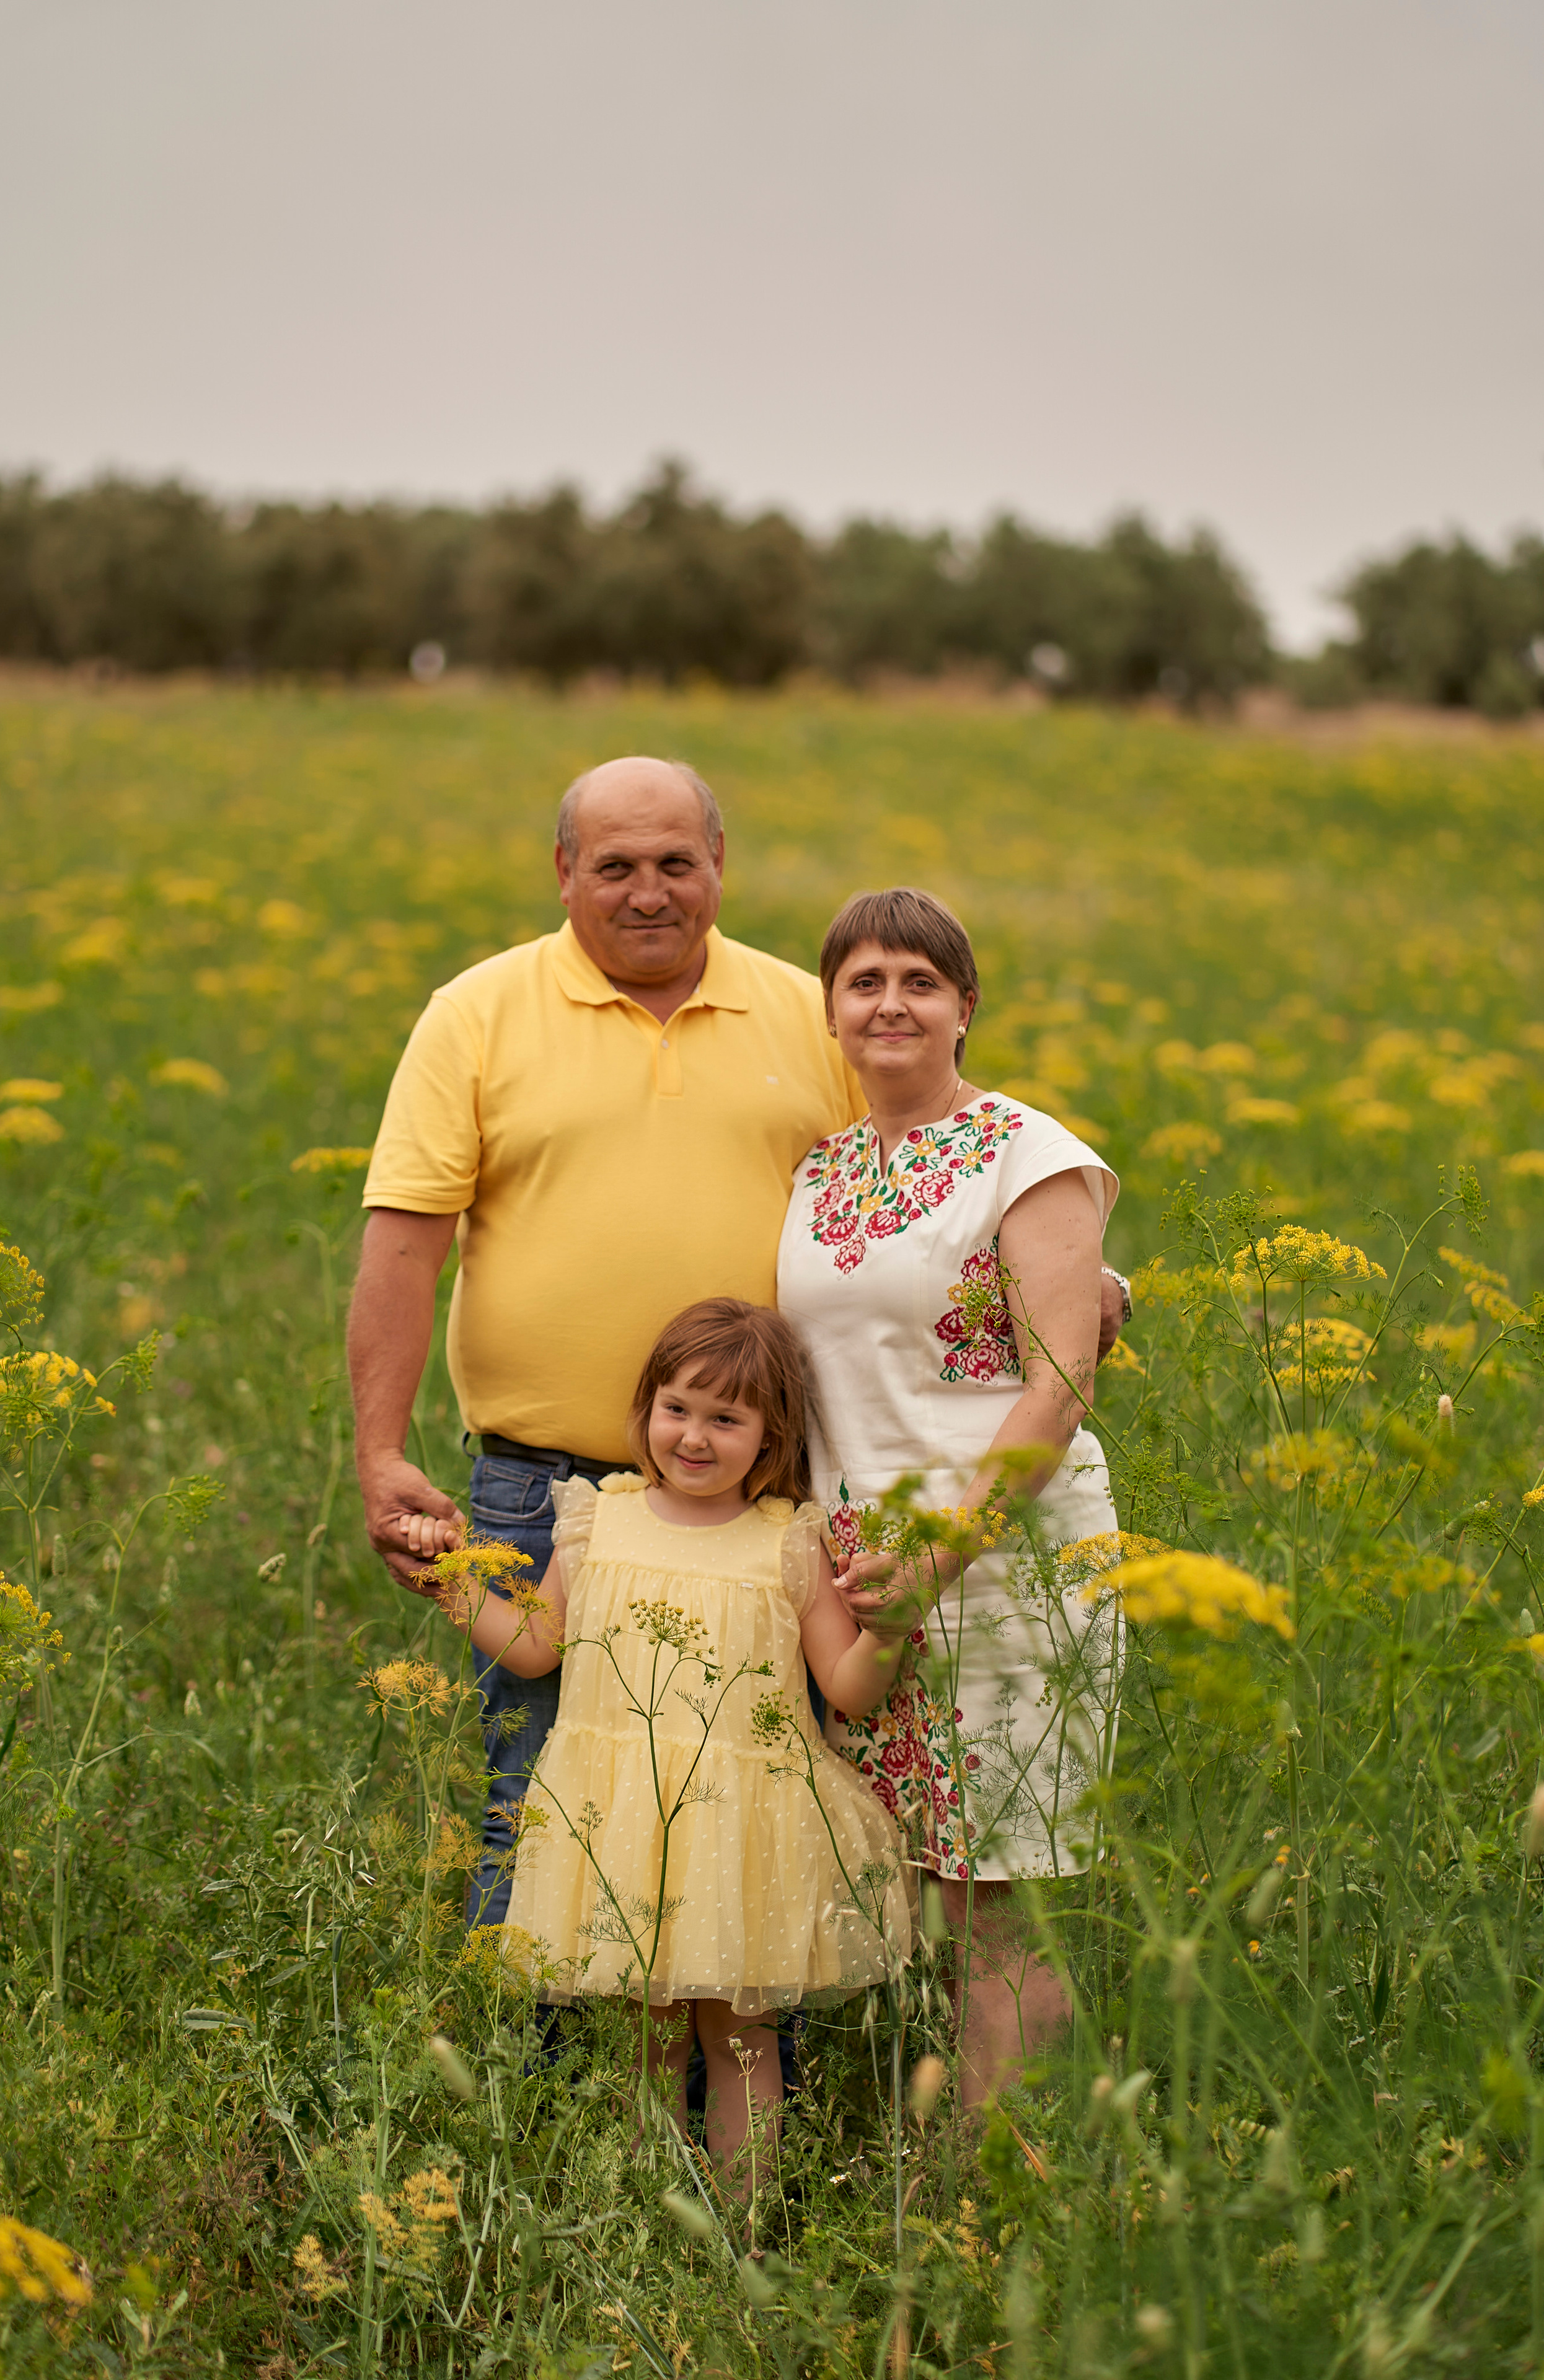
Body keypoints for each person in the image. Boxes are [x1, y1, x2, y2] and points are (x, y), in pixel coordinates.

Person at [349, 756, 1129, 1926]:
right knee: (544, 1804)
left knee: (759, 1811)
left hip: (768, 1501)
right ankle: (542, 2099)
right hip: (544, 1484)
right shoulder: (477, 1012)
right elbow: (406, 1243)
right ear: (564, 874)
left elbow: (933, 1146)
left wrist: (1087, 1277)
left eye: (677, 863)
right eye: (615, 866)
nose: (648, 891)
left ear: (720, 868)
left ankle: (758, 2093)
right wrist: (379, 1449)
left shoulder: (798, 1011)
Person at [777, 887, 1126, 2110]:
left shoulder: (1034, 1156)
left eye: (918, 982)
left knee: (997, 1909)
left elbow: (1061, 1377)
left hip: (1004, 1565)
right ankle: (929, 2166)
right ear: (830, 1010)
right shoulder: (819, 1171)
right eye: (863, 981)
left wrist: (940, 1553)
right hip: (863, 1578)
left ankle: (997, 2207)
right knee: (909, 1885)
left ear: (963, 1007)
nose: (889, 1003)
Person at [434, 1298, 913, 2177]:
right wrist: (453, 1584)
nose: (694, 1437)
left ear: (769, 1440)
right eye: (676, 1409)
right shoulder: (594, 1522)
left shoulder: (788, 1542)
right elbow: (537, 1649)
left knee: (740, 2039)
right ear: (646, 1411)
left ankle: (746, 2228)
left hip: (740, 1832)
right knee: (645, 2038)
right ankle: (649, 2224)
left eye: (726, 1419)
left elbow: (845, 1685)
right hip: (619, 1827)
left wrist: (887, 1633)